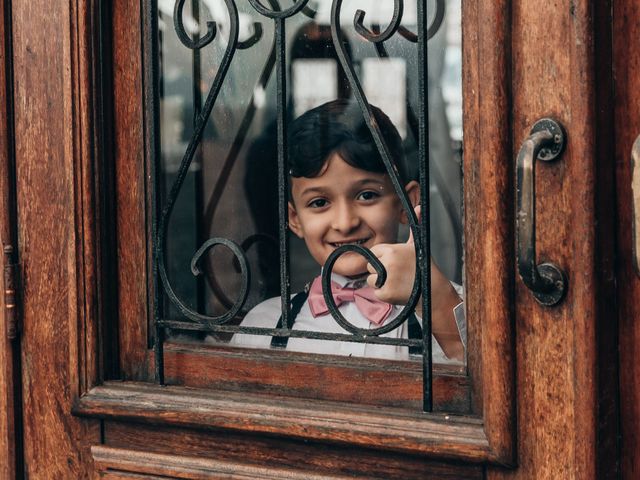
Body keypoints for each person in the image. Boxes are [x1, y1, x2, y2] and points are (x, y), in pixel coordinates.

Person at [231, 99, 465, 363]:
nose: (345, 222)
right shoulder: (263, 327)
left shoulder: (457, 310)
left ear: (406, 203)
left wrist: (436, 302)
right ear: (295, 219)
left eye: (366, 195)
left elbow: (488, 380)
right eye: (319, 202)